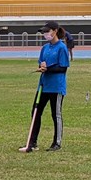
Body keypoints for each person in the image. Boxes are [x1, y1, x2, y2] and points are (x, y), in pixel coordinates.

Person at [19, 21, 70, 153]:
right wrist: (41, 68)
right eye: (44, 32)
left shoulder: (62, 47)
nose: (45, 34)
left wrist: (48, 69)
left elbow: (63, 68)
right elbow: (41, 63)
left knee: (56, 114)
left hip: (56, 87)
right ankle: (32, 141)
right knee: (36, 112)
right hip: (43, 86)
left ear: (55, 31)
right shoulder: (45, 48)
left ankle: (57, 142)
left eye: (47, 31)